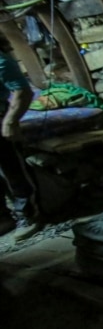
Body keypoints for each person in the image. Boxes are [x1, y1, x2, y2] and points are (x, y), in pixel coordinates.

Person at [0, 39, 39, 242]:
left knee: (11, 170)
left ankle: (29, 216)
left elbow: (23, 91)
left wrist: (10, 121)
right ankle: (4, 218)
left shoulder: (2, 61)